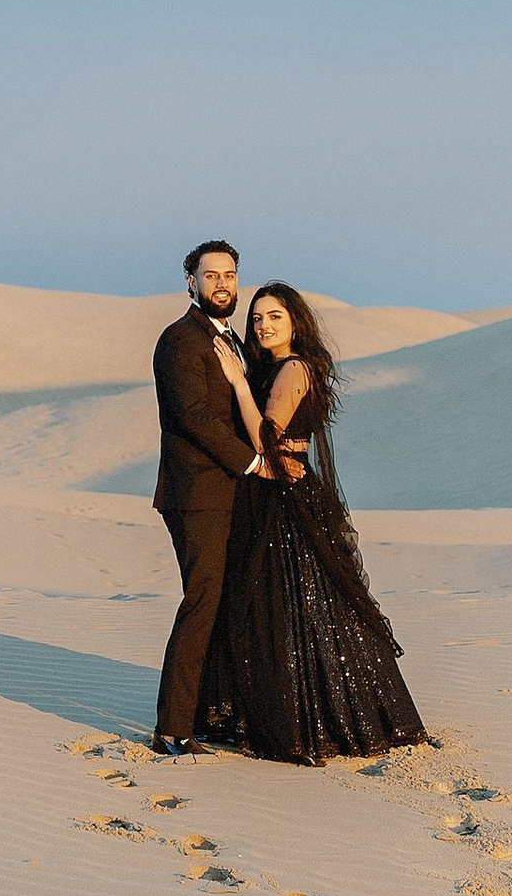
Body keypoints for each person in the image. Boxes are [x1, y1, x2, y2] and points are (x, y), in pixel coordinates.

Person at [194, 281, 429, 763]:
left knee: (299, 605)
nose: (262, 326)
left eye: (274, 317)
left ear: (295, 321)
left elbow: (265, 435)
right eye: (257, 318)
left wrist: (238, 382)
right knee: (273, 608)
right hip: (264, 493)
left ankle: (315, 717)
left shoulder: (295, 367)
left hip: (286, 499)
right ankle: (281, 707)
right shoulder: (270, 368)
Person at [151, 239, 262, 756]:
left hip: (235, 491)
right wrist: (253, 461)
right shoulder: (179, 340)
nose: (222, 283)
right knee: (202, 602)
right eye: (211, 275)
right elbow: (195, 417)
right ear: (190, 282)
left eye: (230, 275)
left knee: (227, 604)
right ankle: (172, 728)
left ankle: (212, 713)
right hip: (197, 492)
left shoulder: (234, 340)